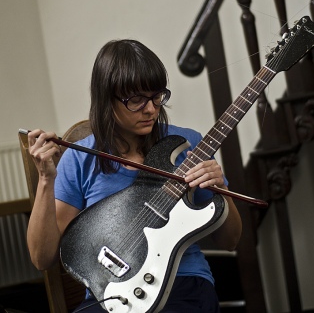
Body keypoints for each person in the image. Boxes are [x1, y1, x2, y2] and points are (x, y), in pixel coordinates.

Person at [27, 39, 242, 312]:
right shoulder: (79, 157)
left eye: (156, 96)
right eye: (136, 100)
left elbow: (230, 241)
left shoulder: (189, 145)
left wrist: (219, 186)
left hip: (184, 284)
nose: (151, 109)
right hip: (110, 296)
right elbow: (41, 258)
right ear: (107, 99)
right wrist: (46, 180)